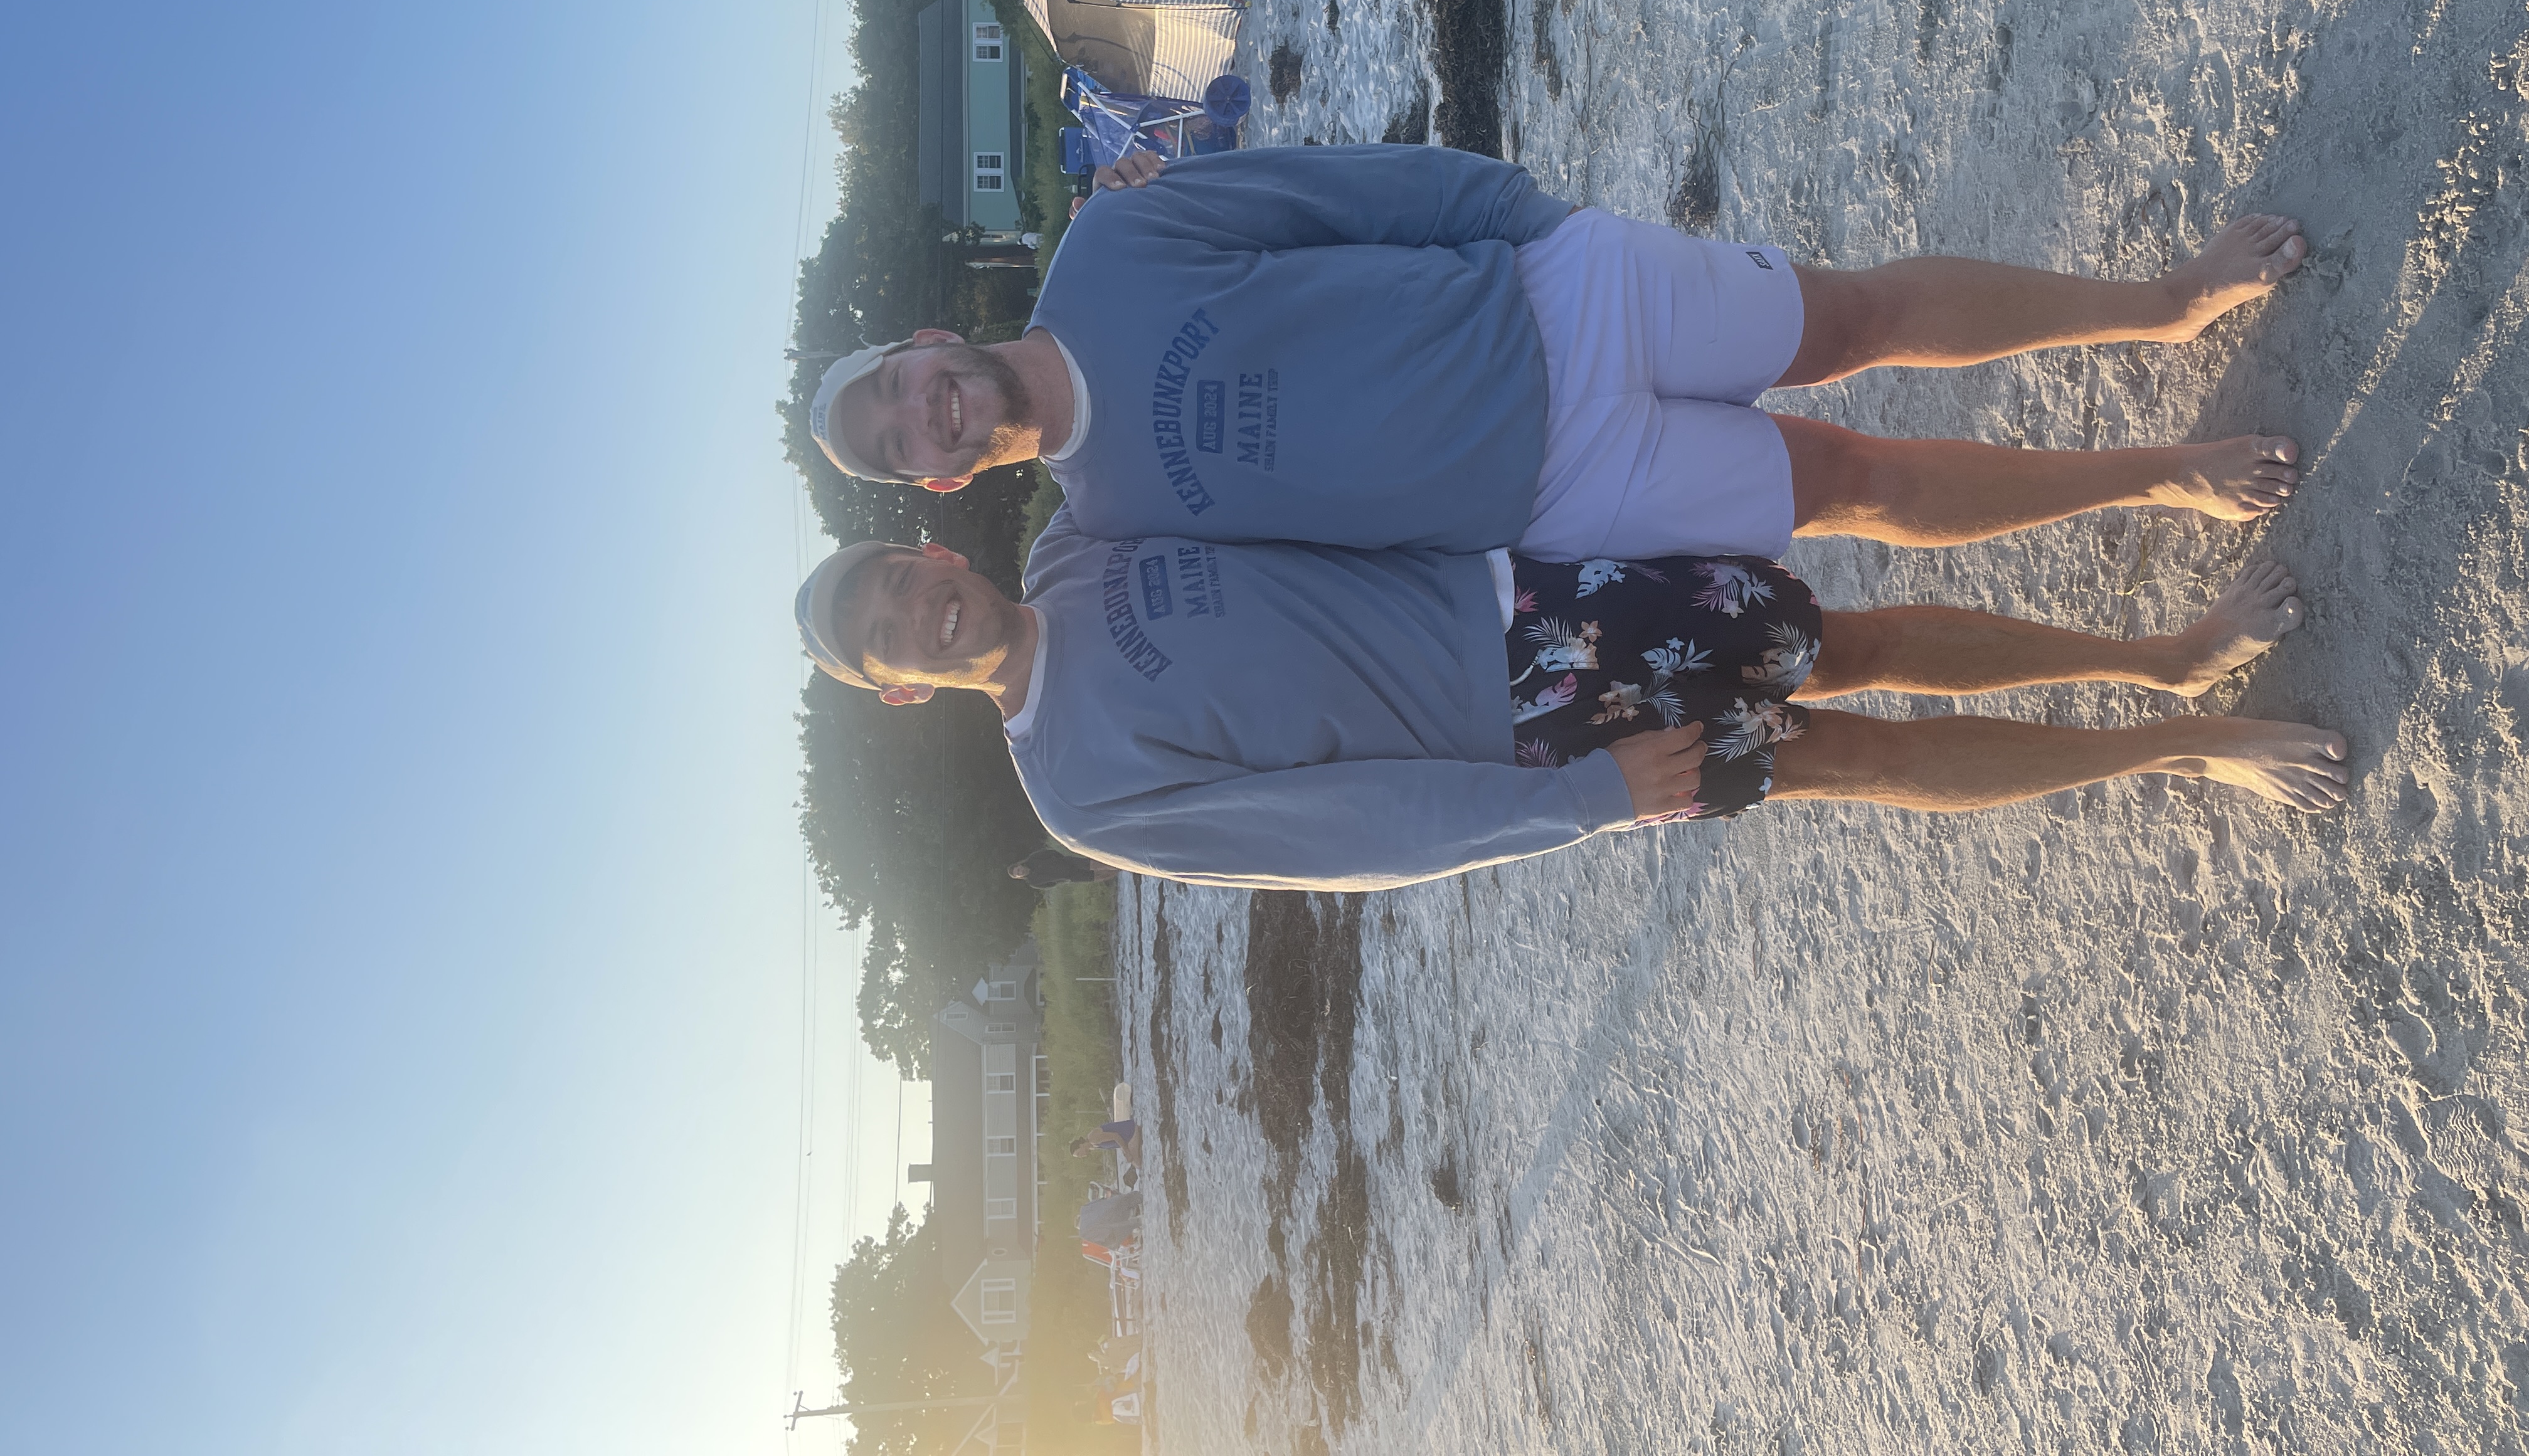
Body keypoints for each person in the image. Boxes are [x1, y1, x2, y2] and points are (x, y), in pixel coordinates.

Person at [803, 145, 2308, 563]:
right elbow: (1330, 593)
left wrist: (1517, 215)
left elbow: (1331, 194)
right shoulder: (1109, 526)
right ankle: (2165, 478)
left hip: (1556, 296)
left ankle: (2163, 304)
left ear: (928, 340)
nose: (923, 413)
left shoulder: (1106, 252)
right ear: (937, 482)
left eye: (897, 383)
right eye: (900, 442)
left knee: (1852, 322)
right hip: (1566, 491)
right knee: (1870, 492)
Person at [793, 529, 2348, 892]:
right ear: (903, 687)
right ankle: (2188, 743)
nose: (908, 602)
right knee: (1853, 756)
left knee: (1852, 645)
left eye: (889, 571)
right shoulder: (1075, 788)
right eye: (882, 633)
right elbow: (1341, 839)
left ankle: (2162, 654)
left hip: (1527, 597)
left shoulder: (1084, 527)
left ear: (926, 544)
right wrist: (1581, 801)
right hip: (1537, 739)